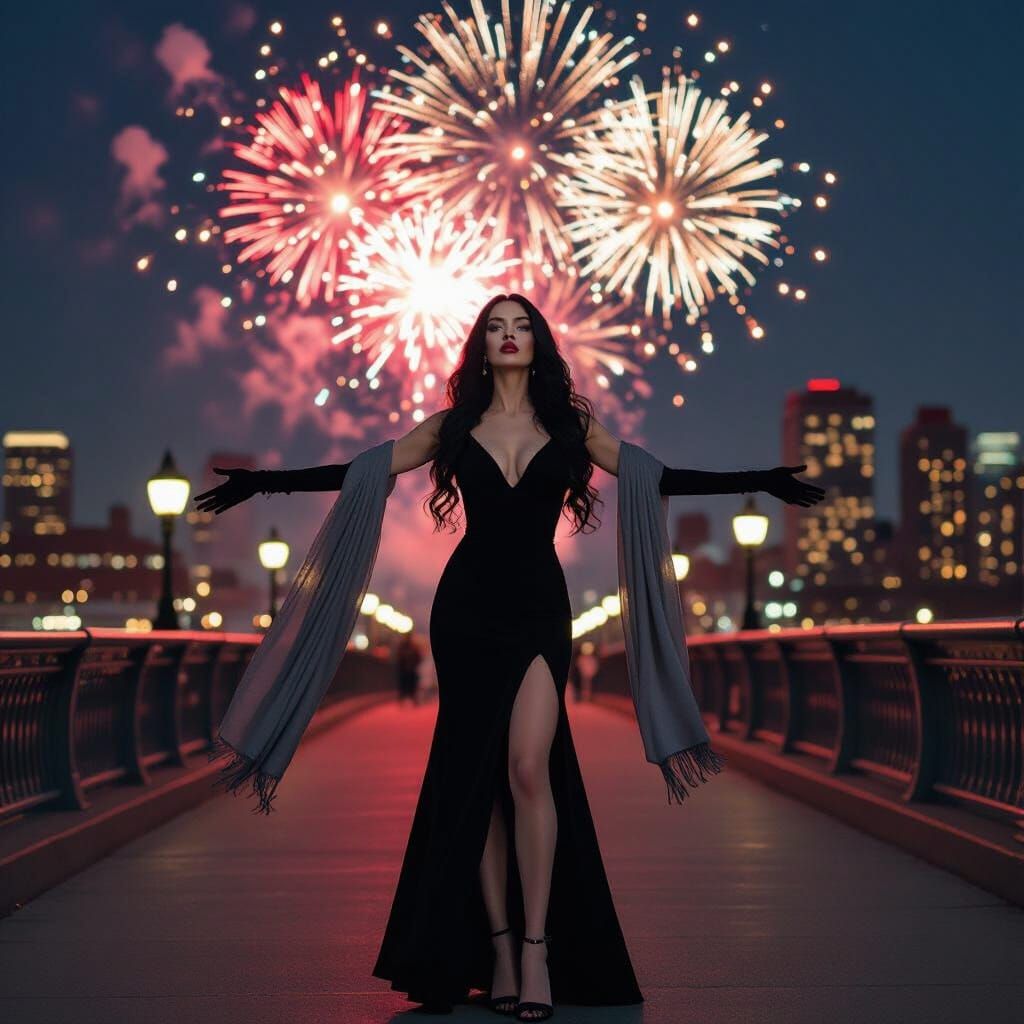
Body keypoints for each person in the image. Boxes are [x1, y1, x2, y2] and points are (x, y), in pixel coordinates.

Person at [193, 293, 824, 1020]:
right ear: (482, 346)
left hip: (539, 611)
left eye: (521, 326)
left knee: (529, 768)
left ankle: (535, 950)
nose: (509, 336)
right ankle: (497, 948)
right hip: (465, 612)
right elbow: (362, 471)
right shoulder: (452, 427)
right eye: (496, 327)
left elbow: (656, 477)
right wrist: (262, 483)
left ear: (539, 342)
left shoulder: (570, 427)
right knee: (479, 779)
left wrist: (759, 481)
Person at [395, 632, 423, 705]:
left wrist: (414, 664)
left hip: (410, 669)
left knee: (410, 684)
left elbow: (418, 657)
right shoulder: (405, 647)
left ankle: (411, 698)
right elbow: (399, 657)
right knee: (405, 684)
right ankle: (404, 698)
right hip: (405, 669)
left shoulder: (412, 647)